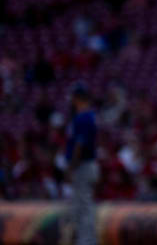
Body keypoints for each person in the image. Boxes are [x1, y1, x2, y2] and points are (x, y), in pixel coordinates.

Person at [65, 84, 99, 245]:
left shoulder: (83, 117)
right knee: (83, 206)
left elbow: (80, 144)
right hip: (87, 165)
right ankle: (86, 240)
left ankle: (87, 241)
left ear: (78, 98)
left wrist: (72, 166)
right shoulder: (89, 115)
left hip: (83, 165)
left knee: (83, 206)